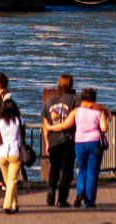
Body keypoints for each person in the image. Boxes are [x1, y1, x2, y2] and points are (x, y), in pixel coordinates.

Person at [41, 74, 79, 208]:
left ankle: (51, 191)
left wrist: (46, 141)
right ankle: (62, 199)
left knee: (54, 169)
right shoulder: (74, 100)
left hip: (53, 141)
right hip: (67, 140)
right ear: (71, 85)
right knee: (67, 171)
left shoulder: (50, 102)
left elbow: (45, 124)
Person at [69, 88, 107, 209]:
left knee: (82, 169)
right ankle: (89, 200)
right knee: (92, 172)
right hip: (94, 142)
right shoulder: (98, 112)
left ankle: (79, 193)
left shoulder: (76, 111)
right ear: (94, 99)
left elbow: (67, 123)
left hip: (79, 142)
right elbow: (104, 128)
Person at [0, 100, 24, 215]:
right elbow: (21, 137)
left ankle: (15, 204)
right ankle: (7, 205)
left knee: (8, 182)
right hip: (15, 151)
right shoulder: (18, 120)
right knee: (12, 181)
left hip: (2, 153)